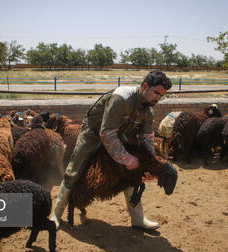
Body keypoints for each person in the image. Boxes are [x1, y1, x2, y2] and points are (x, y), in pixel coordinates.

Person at [51, 71, 173, 230]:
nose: (158, 98)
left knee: (132, 174)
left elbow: (146, 139)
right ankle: (56, 214)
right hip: (94, 131)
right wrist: (129, 160)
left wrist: (147, 164)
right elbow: (106, 132)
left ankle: (138, 218)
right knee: (74, 170)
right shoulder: (121, 98)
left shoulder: (148, 110)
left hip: (118, 133)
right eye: (156, 92)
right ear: (144, 87)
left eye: (161, 95)